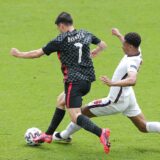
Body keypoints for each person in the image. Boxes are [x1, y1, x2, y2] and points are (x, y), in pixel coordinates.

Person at [10, 12, 111, 154]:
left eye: (59, 27)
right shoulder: (85, 33)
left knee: (75, 116)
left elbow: (37, 53)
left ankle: (101, 132)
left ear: (62, 25)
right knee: (61, 100)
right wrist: (96, 51)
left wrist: (19, 54)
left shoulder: (61, 40)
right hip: (87, 80)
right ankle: (48, 134)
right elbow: (103, 45)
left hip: (73, 82)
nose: (59, 30)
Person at [53, 28, 160, 144]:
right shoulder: (137, 49)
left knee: (81, 113)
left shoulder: (132, 62)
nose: (122, 46)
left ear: (130, 46)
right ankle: (64, 136)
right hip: (128, 97)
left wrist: (112, 83)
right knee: (143, 126)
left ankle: (63, 135)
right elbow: (127, 42)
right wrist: (119, 35)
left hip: (116, 101)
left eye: (124, 44)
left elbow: (132, 80)